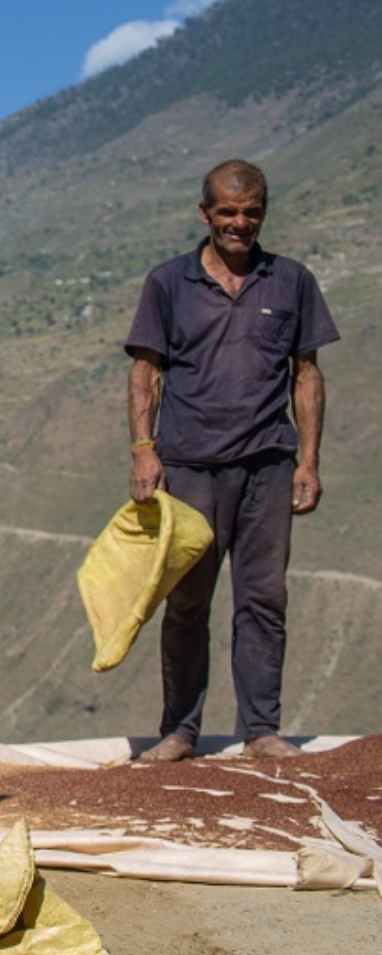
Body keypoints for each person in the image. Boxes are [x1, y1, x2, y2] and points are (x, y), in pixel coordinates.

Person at [126, 160, 337, 763]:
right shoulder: (168, 283)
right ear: (205, 214)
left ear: (263, 213)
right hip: (189, 466)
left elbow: (307, 374)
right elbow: (146, 373)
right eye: (227, 212)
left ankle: (262, 730)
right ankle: (179, 732)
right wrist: (143, 451)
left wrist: (309, 461)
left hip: (269, 464)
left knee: (264, 598)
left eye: (251, 212)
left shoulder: (291, 281)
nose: (239, 223)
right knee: (187, 601)